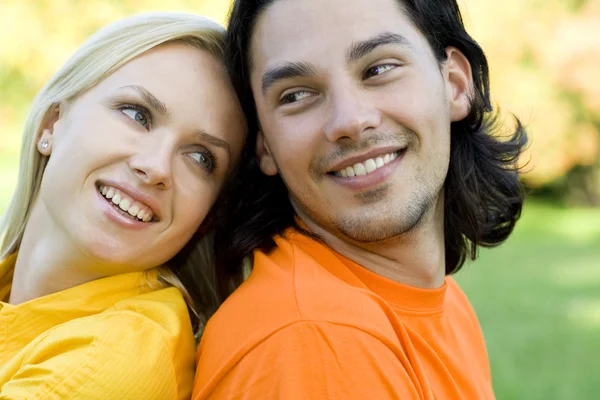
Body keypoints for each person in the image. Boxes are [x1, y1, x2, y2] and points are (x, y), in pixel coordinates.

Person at [193, 0, 527, 398]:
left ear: (454, 83)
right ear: (264, 145)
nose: (349, 120)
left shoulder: (443, 303)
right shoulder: (313, 342)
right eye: (297, 95)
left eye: (379, 69)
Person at [0, 12, 246, 399]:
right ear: (52, 123)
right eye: (138, 115)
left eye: (200, 158)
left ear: (208, 216)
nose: (155, 167)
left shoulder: (115, 359)